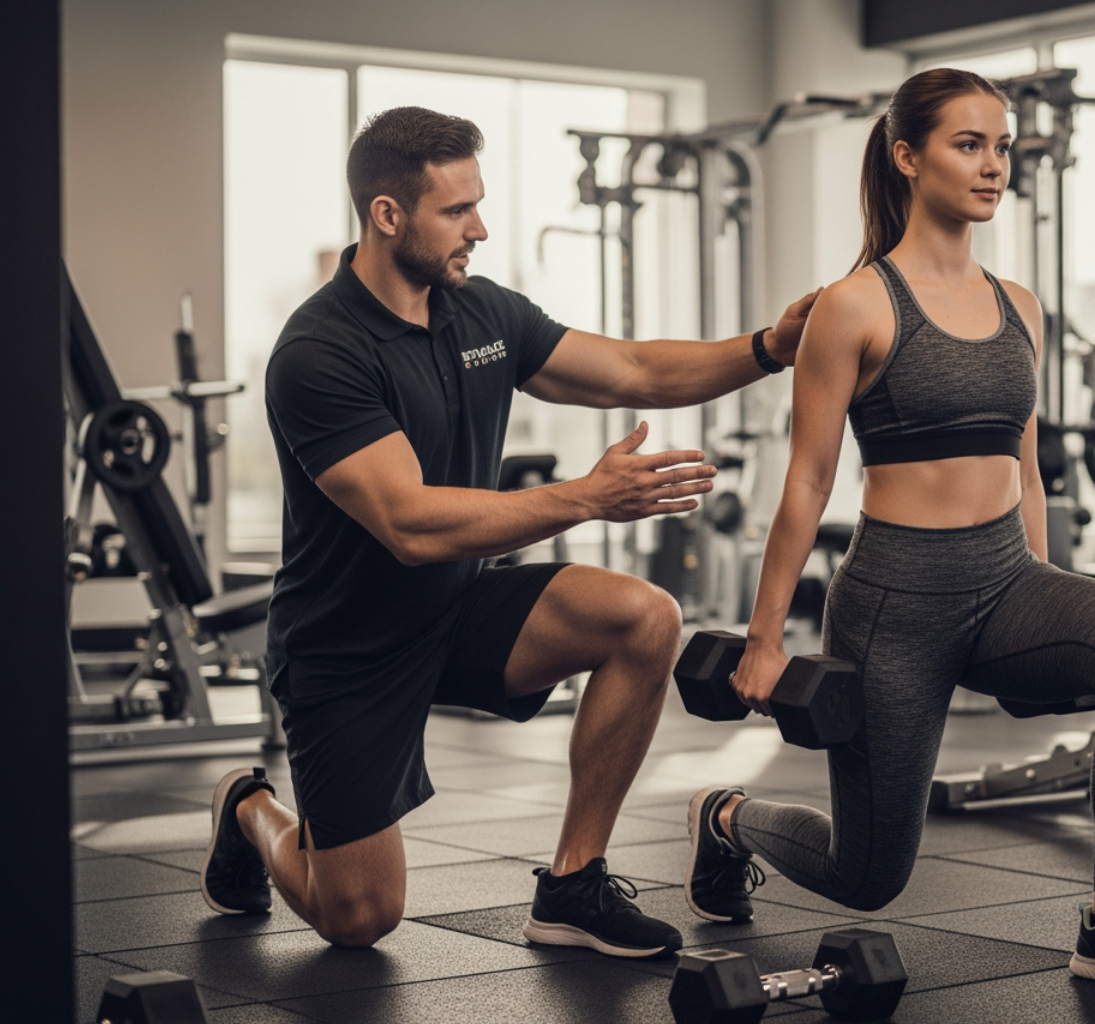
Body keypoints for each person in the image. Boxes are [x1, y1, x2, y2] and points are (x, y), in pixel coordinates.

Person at [198, 105, 817, 959]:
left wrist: (767, 348)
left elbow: (632, 369)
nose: (480, 229)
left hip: (456, 608)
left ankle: (572, 884)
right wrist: (587, 497)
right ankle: (250, 811)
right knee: (358, 920)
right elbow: (409, 523)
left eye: (478, 205)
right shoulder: (320, 351)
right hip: (348, 645)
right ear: (387, 215)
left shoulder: (479, 313)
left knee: (645, 617)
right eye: (457, 211)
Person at [683, 69, 1095, 1000]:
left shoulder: (1023, 307)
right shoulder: (856, 305)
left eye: (1003, 147)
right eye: (970, 145)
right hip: (894, 601)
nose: (994, 165)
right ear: (906, 156)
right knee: (867, 876)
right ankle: (725, 817)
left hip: (1009, 580)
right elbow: (806, 480)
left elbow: (1029, 467)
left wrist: (1053, 611)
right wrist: (765, 636)